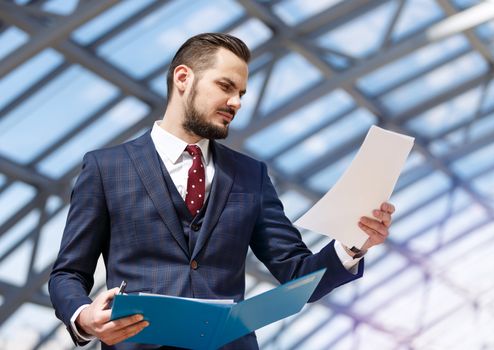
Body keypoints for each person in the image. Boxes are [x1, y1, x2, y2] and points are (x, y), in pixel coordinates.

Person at [48, 33, 395, 350]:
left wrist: (353, 244)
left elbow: (298, 274)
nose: (236, 102)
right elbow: (68, 273)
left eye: (241, 93)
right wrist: (84, 318)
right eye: (226, 86)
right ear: (183, 78)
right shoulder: (106, 168)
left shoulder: (251, 175)